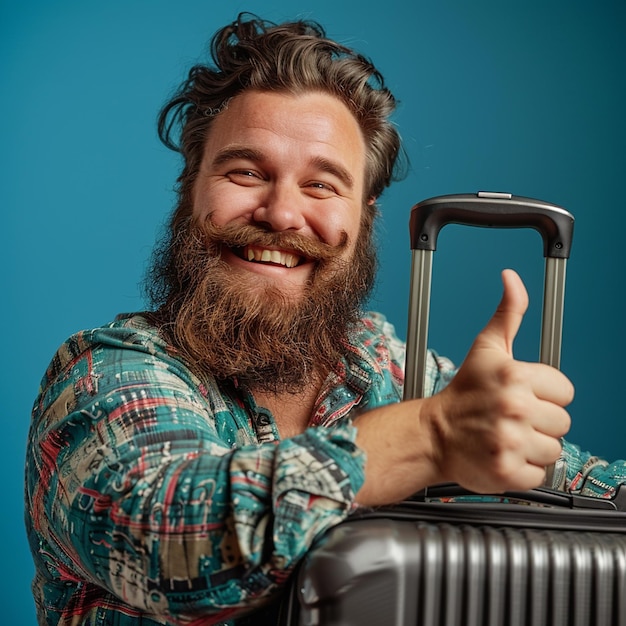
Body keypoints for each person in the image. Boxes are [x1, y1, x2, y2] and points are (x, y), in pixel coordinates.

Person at [24, 13, 626, 626]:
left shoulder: (393, 371)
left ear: (363, 219)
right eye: (247, 172)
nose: (283, 214)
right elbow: (169, 542)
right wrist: (431, 437)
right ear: (190, 188)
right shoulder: (104, 375)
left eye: (321, 185)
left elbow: (598, 491)